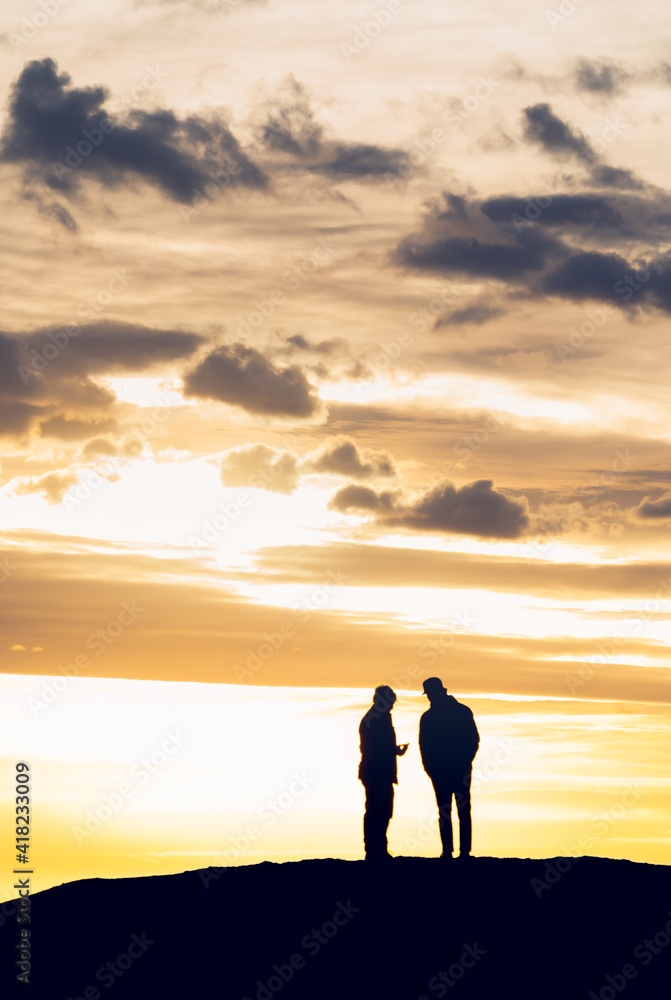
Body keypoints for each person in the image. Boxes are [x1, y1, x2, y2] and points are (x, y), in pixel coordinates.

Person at [419, 677, 479, 860]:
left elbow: (473, 740)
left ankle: (456, 852)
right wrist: (430, 768)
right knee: (456, 811)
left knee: (452, 811)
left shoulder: (431, 717)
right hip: (449, 770)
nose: (429, 697)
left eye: (429, 694)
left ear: (438, 692)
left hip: (450, 770)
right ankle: (456, 852)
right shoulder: (461, 711)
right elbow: (473, 740)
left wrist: (431, 768)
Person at [358, 685, 409, 861]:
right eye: (390, 702)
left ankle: (379, 849)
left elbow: (376, 746)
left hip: (383, 772)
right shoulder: (374, 719)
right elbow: (369, 747)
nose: (392, 706)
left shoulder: (380, 718)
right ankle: (373, 851)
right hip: (376, 771)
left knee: (384, 811)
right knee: (375, 811)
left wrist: (394, 750)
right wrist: (392, 750)